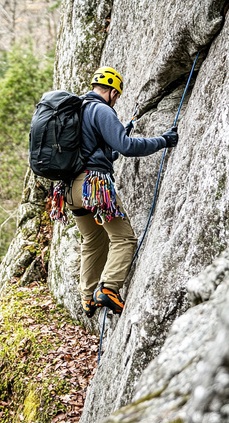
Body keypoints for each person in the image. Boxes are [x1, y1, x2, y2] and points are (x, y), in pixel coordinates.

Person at [68, 66, 178, 317]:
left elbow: (100, 152)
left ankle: (87, 298)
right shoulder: (101, 109)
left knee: (93, 241)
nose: (116, 99)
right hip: (93, 186)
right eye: (116, 95)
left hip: (69, 191)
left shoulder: (76, 110)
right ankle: (108, 288)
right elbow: (127, 147)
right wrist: (163, 140)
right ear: (111, 91)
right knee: (124, 238)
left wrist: (114, 143)